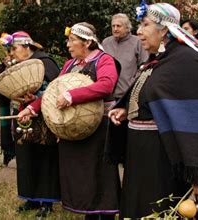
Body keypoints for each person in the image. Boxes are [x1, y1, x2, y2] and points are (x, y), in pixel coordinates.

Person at [108, 3, 198, 219]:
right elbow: (153, 96)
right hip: (142, 157)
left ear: (164, 30)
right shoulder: (161, 60)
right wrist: (126, 110)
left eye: (145, 24)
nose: (139, 31)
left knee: (157, 207)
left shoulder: (186, 62)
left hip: (163, 161)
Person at [18, 22, 121, 220]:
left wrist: (72, 95)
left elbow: (106, 85)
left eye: (72, 40)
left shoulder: (104, 60)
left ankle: (105, 215)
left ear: (88, 42)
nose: (68, 45)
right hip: (73, 132)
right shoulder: (69, 64)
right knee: (82, 178)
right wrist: (32, 108)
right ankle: (89, 215)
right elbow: (52, 92)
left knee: (99, 176)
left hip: (98, 130)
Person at [0, 31, 61, 218]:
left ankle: (47, 202)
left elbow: (55, 88)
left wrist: (37, 98)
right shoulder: (17, 65)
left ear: (27, 47)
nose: (12, 53)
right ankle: (31, 198)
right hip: (22, 116)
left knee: (44, 158)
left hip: (43, 118)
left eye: (15, 48)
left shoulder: (46, 62)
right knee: (26, 157)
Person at [103, 13, 149, 101]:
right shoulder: (106, 42)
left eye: (118, 26)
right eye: (113, 26)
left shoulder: (137, 42)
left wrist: (133, 83)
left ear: (127, 28)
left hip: (128, 94)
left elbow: (144, 66)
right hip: (108, 95)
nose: (115, 29)